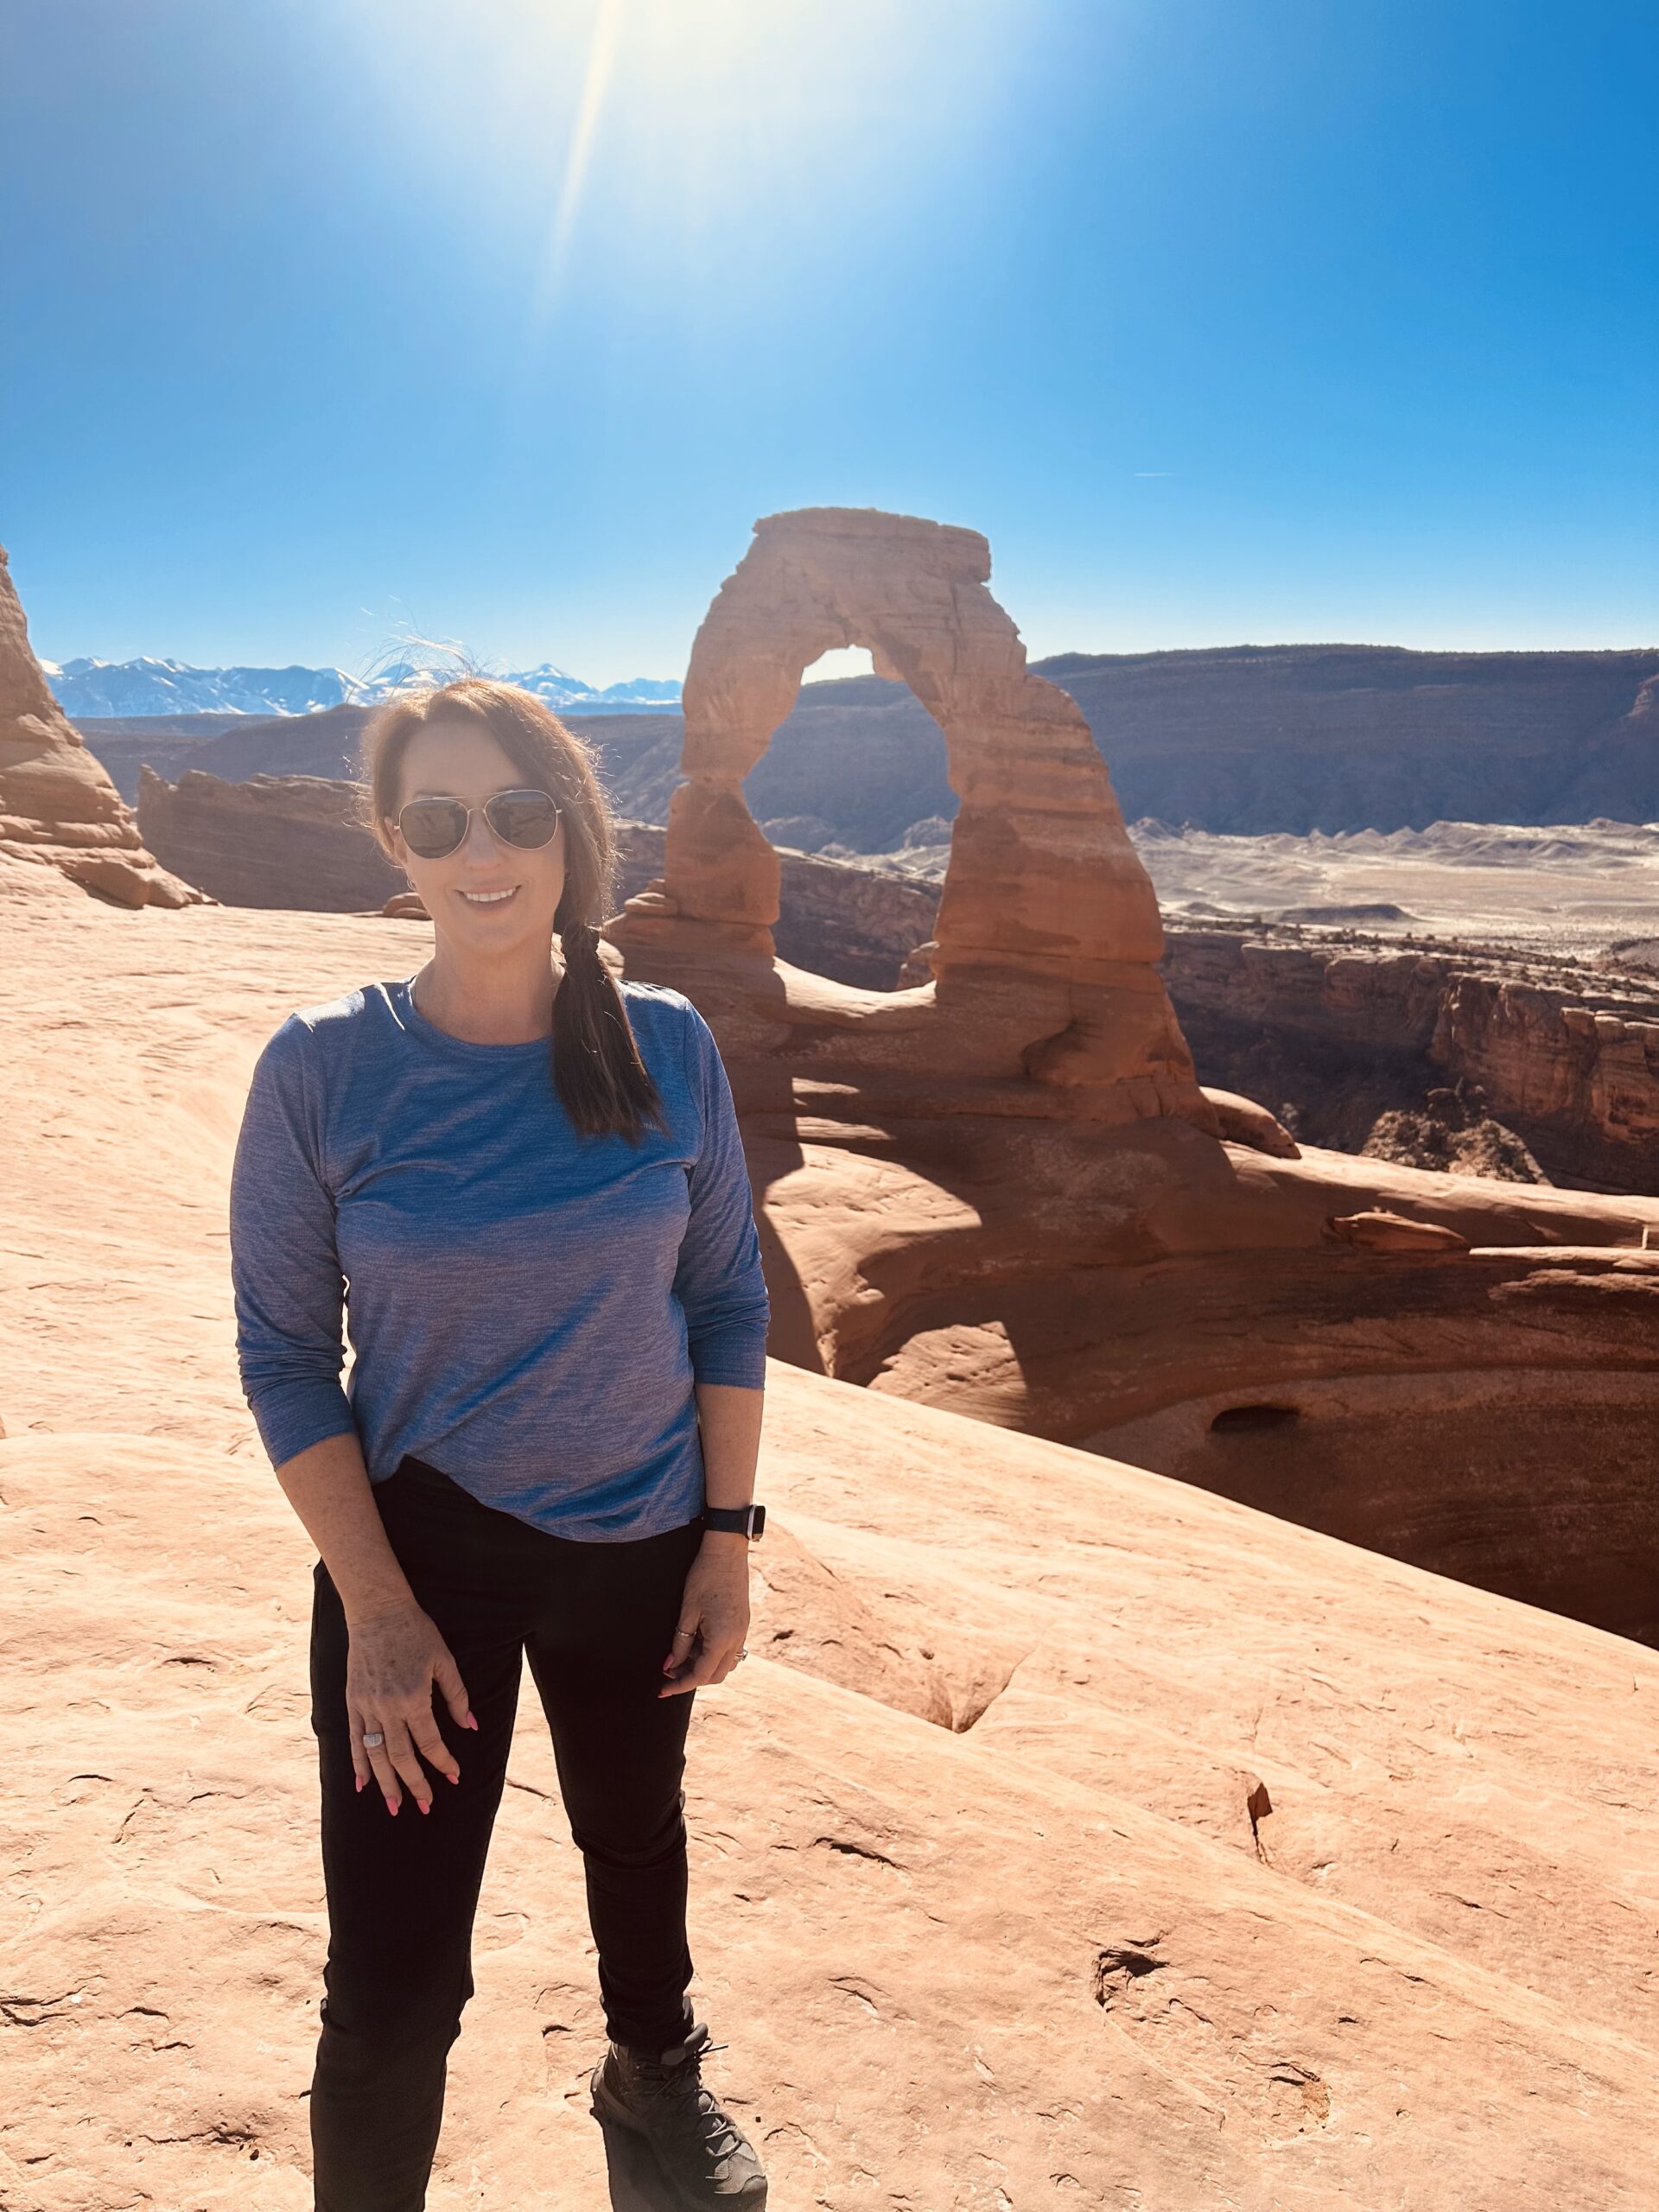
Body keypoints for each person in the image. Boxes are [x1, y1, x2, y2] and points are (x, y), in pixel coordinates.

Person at [228, 677, 772, 2211]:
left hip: (642, 1535)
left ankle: (653, 2069)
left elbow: (727, 1301)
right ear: (395, 846)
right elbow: (283, 1357)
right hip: (424, 1563)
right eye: (440, 820)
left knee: (632, 1830)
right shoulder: (325, 1068)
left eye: (519, 814)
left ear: (570, 833)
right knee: (395, 1982)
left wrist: (727, 1542)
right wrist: (379, 1615)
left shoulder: (666, 1046)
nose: (486, 851)